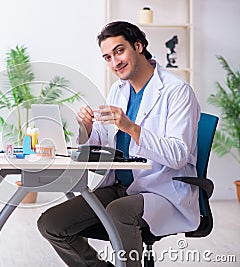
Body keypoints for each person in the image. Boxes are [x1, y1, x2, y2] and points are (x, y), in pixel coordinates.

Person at [37, 21, 200, 267]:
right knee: (51, 224)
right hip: (120, 187)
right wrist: (87, 130)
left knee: (119, 212)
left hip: (162, 190)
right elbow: (103, 143)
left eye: (119, 51)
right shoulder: (118, 90)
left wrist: (131, 127)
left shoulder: (177, 92)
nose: (115, 62)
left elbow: (178, 155)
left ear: (139, 45)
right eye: (107, 57)